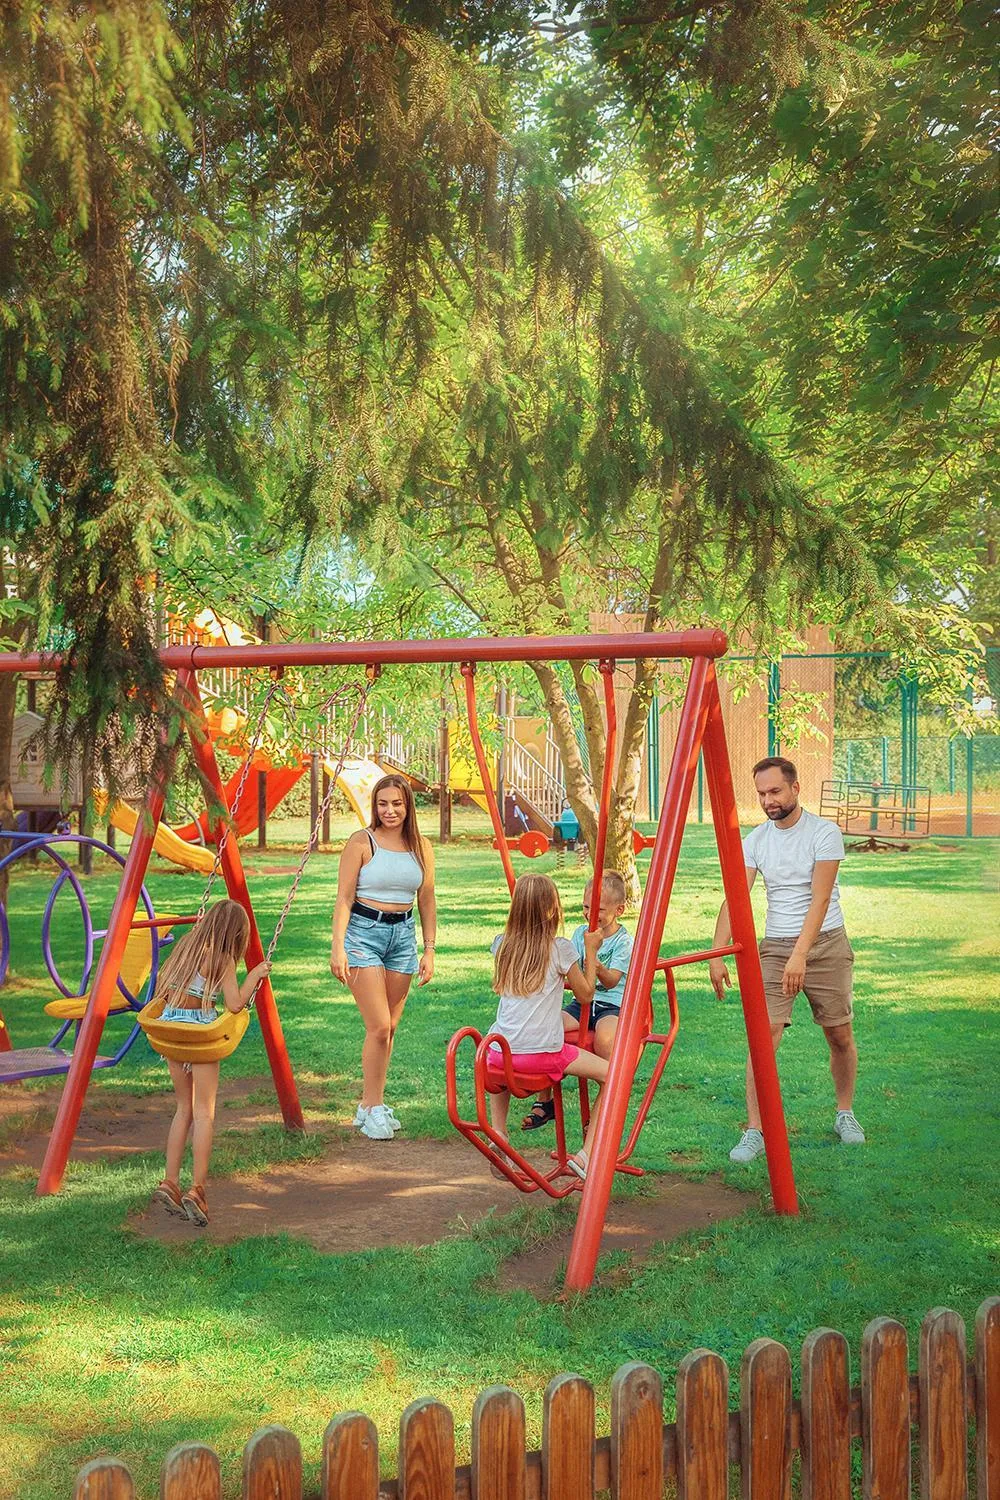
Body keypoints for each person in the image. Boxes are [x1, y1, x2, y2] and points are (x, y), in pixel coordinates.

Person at [709, 755, 865, 1162]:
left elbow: (820, 899)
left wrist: (802, 955)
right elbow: (737, 898)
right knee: (764, 1036)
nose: (768, 801)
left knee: (839, 1035)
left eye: (775, 791)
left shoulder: (824, 833)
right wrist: (717, 953)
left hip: (826, 943)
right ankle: (754, 1130)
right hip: (778, 947)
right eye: (761, 793)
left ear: (796, 788)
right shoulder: (757, 840)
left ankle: (845, 1112)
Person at [150, 900, 272, 1225]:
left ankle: (169, 1182)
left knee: (183, 1109)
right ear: (235, 934)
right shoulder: (222, 958)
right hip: (200, 1035)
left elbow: (162, 988)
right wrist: (255, 974)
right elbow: (234, 1004)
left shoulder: (185, 948)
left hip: (171, 1031)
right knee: (204, 1112)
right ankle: (197, 1190)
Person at [330, 774, 436, 1140]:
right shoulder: (362, 842)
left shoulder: (421, 846)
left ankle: (368, 1105)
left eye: (397, 804)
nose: (390, 810)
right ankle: (373, 1106)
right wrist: (338, 946)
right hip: (363, 934)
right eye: (383, 803)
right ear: (375, 806)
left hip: (403, 937)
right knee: (377, 1026)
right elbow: (344, 898)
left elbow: (427, 899)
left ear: (408, 806)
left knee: (389, 1028)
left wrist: (429, 949)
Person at [486, 872, 606, 1180]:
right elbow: (585, 994)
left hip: (496, 1055)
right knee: (613, 1074)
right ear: (553, 910)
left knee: (501, 1052)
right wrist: (591, 950)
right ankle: (587, 1155)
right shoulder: (560, 949)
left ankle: (498, 1133)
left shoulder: (501, 946)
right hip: (542, 1057)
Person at [521, 870, 632, 1131]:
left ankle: (605, 1102)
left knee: (606, 1040)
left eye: (599, 909)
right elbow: (571, 968)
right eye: (586, 907)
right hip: (581, 1004)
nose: (590, 915)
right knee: (547, 1026)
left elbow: (612, 981)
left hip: (610, 1005)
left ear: (619, 910)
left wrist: (595, 961)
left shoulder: (623, 941)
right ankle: (545, 1099)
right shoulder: (580, 933)